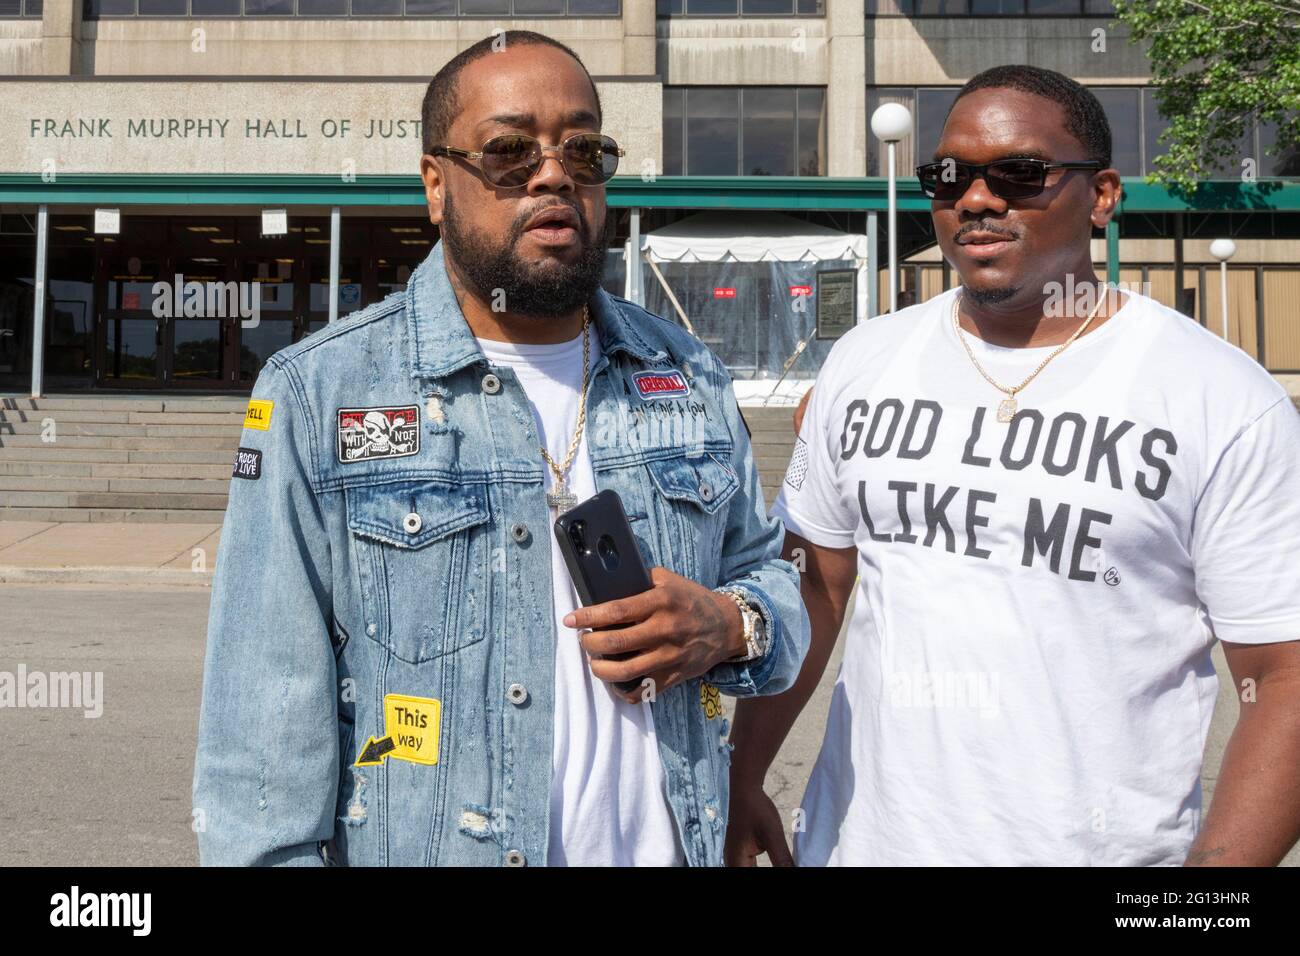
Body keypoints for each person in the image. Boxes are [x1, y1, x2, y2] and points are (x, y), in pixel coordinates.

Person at [193, 29, 808, 867]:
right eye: (509, 151)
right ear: (436, 187)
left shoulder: (685, 371)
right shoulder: (319, 393)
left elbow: (778, 585)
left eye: (583, 148)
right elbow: (259, 743)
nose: (553, 173)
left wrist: (729, 625)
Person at [726, 65, 1300, 866]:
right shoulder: (867, 361)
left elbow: (1283, 680)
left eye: (1019, 174)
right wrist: (744, 772)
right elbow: (816, 587)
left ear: (1102, 194)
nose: (977, 198)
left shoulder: (1222, 401)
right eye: (949, 176)